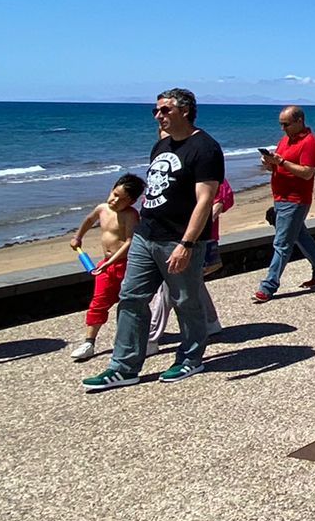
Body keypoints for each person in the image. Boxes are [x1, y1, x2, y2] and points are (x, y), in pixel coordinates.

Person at [79, 89, 224, 393]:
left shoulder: (206, 148)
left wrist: (186, 243)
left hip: (178, 239)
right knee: (131, 298)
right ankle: (123, 367)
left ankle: (190, 358)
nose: (159, 115)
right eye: (156, 111)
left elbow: (205, 200)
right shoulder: (161, 145)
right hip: (146, 236)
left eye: (165, 110)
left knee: (186, 302)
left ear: (185, 111)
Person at [254, 105, 315, 302]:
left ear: (299, 121)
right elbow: (282, 165)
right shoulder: (285, 140)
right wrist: (270, 164)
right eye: (281, 124)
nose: (283, 128)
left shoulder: (310, 143)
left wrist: (281, 162)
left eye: (286, 124)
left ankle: (268, 286)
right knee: (300, 236)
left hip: (296, 200)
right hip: (281, 197)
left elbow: (307, 172)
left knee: (282, 243)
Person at [68, 173, 144, 362]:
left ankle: (139, 338)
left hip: (126, 264)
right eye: (114, 194)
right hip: (105, 266)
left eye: (121, 199)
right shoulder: (102, 208)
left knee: (131, 303)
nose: (114, 200)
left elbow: (129, 241)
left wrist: (111, 262)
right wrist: (78, 236)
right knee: (98, 302)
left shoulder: (130, 215)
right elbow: (89, 220)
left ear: (132, 201)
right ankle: (89, 342)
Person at [149, 179, 227, 345]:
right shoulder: (171, 175)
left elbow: (218, 204)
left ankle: (151, 336)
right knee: (192, 281)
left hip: (190, 242)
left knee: (169, 283)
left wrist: (194, 233)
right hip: (170, 238)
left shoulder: (209, 176)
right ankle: (211, 322)